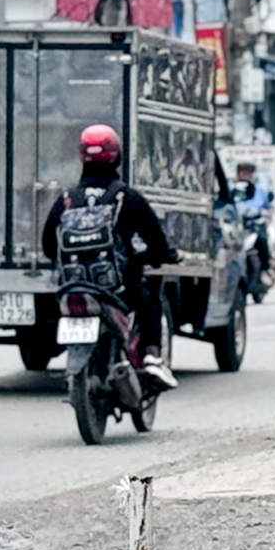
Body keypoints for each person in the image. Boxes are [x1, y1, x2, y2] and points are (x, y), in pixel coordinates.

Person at [42, 124, 179, 392]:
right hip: (119, 288)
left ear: (82, 157)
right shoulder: (125, 197)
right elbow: (156, 239)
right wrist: (163, 256)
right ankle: (151, 356)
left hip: (73, 285)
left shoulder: (68, 199)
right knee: (151, 298)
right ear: (117, 156)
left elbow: (49, 244)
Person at [231, 159, 273, 277]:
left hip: (254, 225)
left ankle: (265, 269)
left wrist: (266, 215)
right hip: (236, 225)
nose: (245, 176)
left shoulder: (260, 189)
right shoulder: (231, 188)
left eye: (248, 173)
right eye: (243, 173)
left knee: (262, 241)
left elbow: (268, 207)